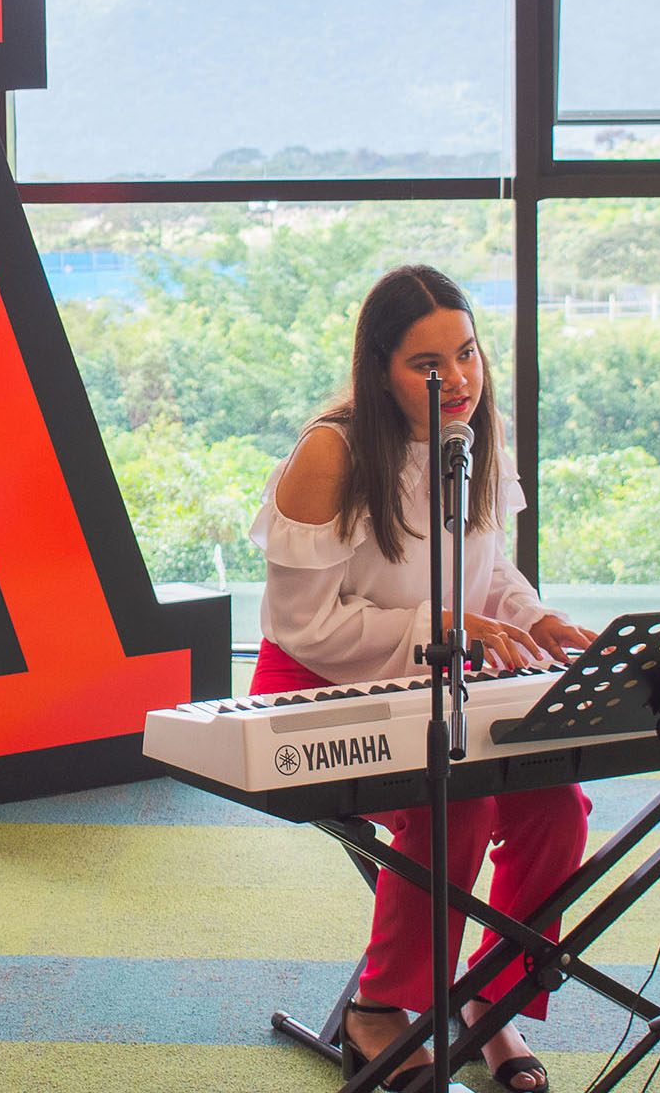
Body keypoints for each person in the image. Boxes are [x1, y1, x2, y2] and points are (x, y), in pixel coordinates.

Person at [248, 264, 597, 1092]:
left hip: (437, 688)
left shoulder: (473, 434)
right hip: (315, 691)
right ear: (378, 368)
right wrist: (441, 628)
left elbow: (487, 564)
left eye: (468, 354)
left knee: (557, 810)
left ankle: (486, 1005)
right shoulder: (329, 453)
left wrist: (532, 615)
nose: (460, 379)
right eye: (428, 365)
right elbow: (308, 626)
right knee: (458, 800)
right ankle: (381, 1007)